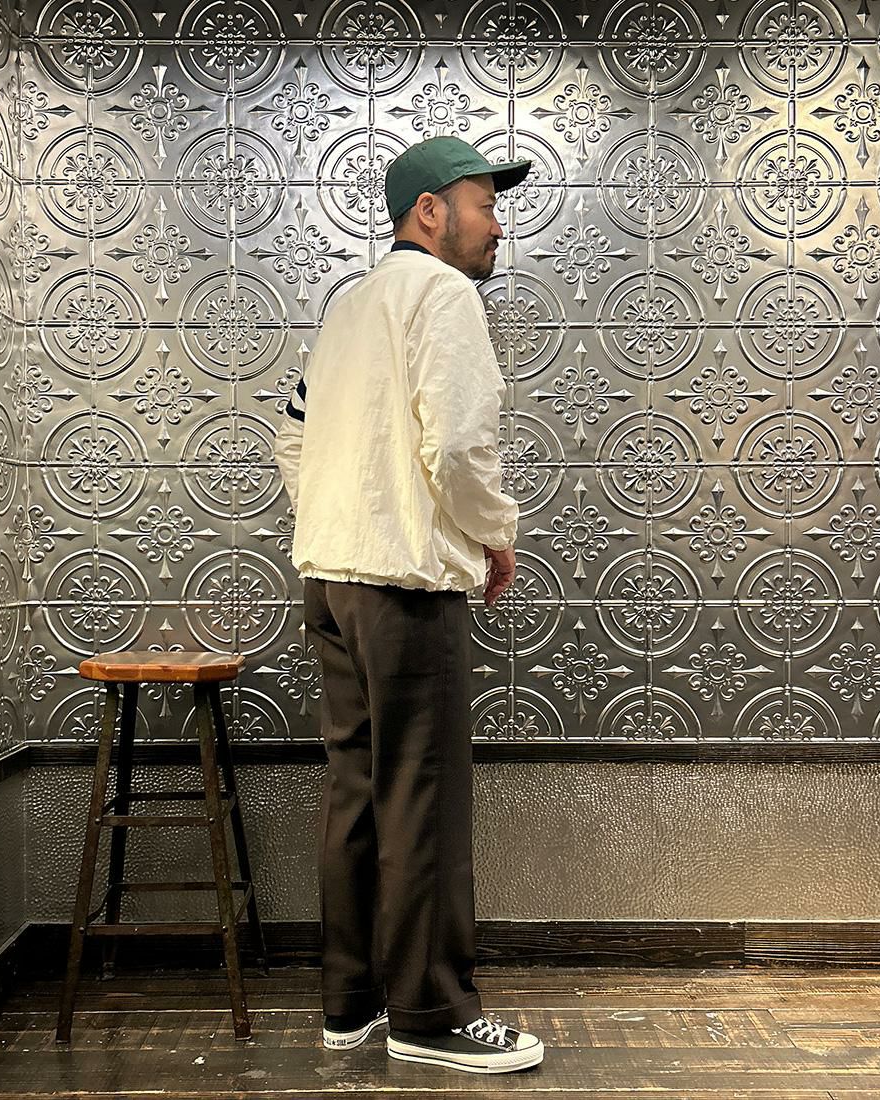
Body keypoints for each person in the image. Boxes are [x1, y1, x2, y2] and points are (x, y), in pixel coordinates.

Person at [272, 135, 543, 1075]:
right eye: (485, 205)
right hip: (404, 584)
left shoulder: (347, 307)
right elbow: (460, 443)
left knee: (356, 789)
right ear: (430, 211)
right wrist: (494, 535)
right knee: (420, 797)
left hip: (332, 579)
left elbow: (291, 437)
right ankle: (430, 1015)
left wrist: (338, 514)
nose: (496, 226)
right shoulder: (443, 294)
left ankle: (349, 1005)